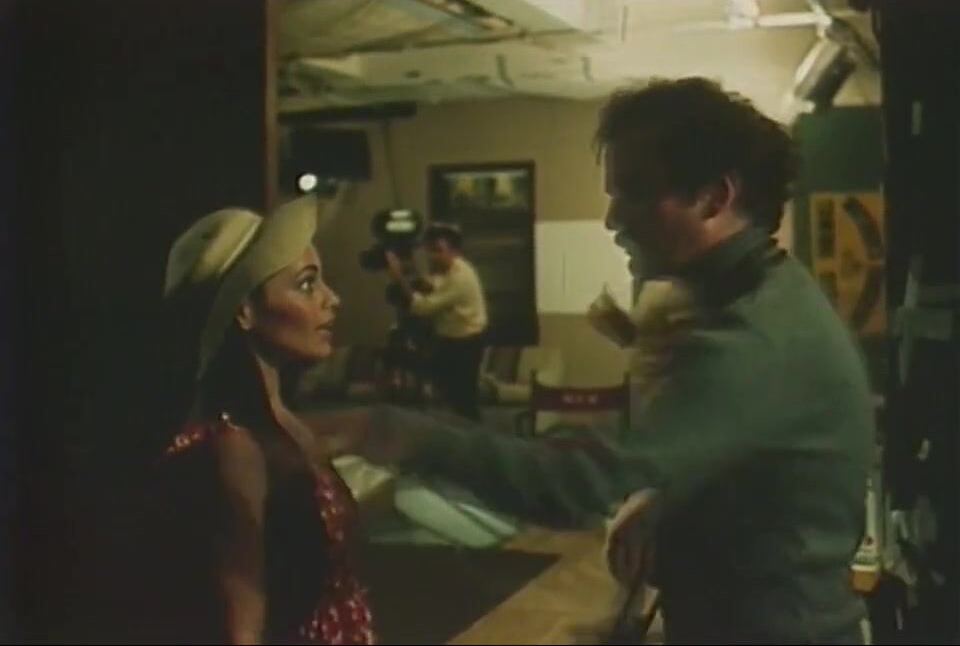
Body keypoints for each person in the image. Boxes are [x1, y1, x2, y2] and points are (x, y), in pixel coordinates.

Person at [309, 78, 874, 644]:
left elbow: (582, 482)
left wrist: (390, 432)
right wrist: (665, 502)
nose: (612, 219)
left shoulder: (752, 337)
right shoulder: (767, 296)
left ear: (713, 198)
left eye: (634, 191)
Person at [149, 196, 375, 645]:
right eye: (306, 285)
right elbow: (241, 625)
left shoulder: (287, 425)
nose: (332, 299)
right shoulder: (234, 447)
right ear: (245, 311)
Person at [385, 223, 488, 420]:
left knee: (463, 400)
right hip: (451, 340)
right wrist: (411, 272)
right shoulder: (450, 269)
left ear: (454, 252)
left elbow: (423, 307)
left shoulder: (460, 277)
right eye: (430, 250)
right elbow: (435, 287)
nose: (432, 256)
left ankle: (475, 434)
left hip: (465, 343)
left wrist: (399, 278)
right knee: (449, 393)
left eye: (439, 251)